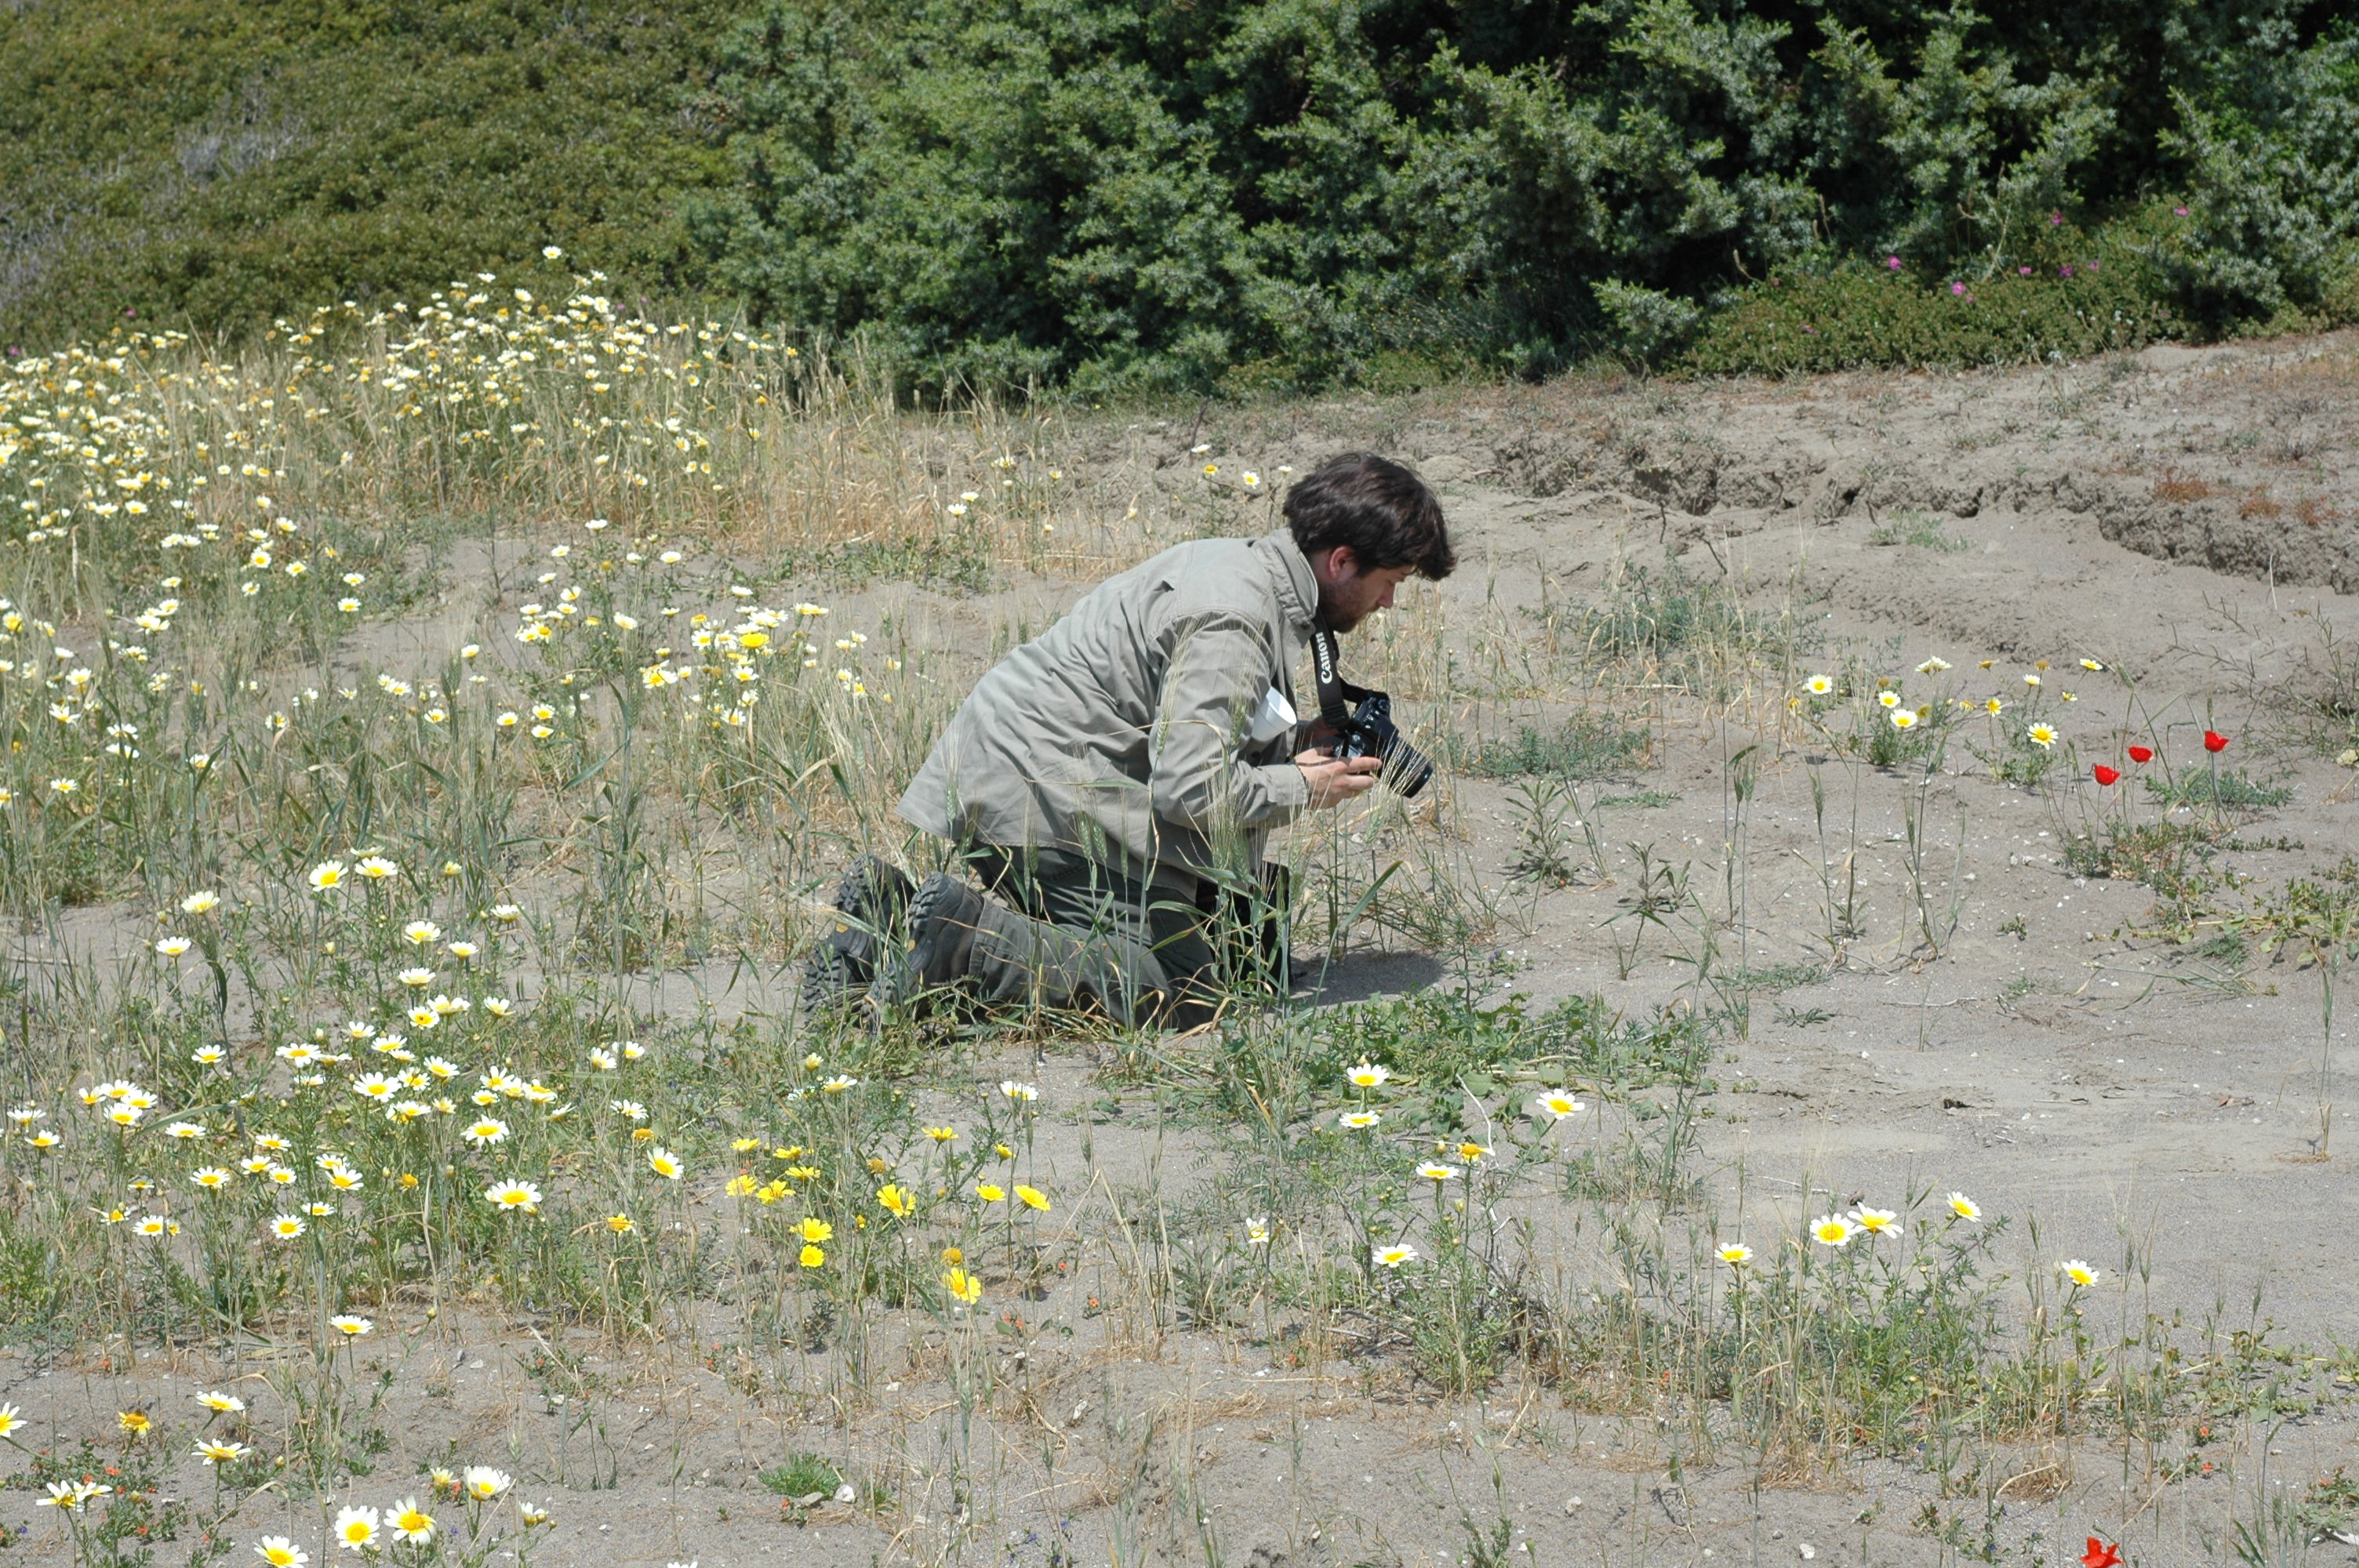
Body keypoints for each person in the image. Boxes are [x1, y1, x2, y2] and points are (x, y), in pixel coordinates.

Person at [802, 452, 1455, 1024]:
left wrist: (1297, 743)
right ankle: (959, 939)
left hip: (1032, 773)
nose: (1388, 603)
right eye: (1391, 583)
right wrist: (1302, 787)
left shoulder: (1245, 566)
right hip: (1041, 798)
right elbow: (1189, 790)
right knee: (1188, 993)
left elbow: (1177, 726)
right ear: (1341, 561)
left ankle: (891, 913)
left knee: (1239, 944)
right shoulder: (1236, 617)